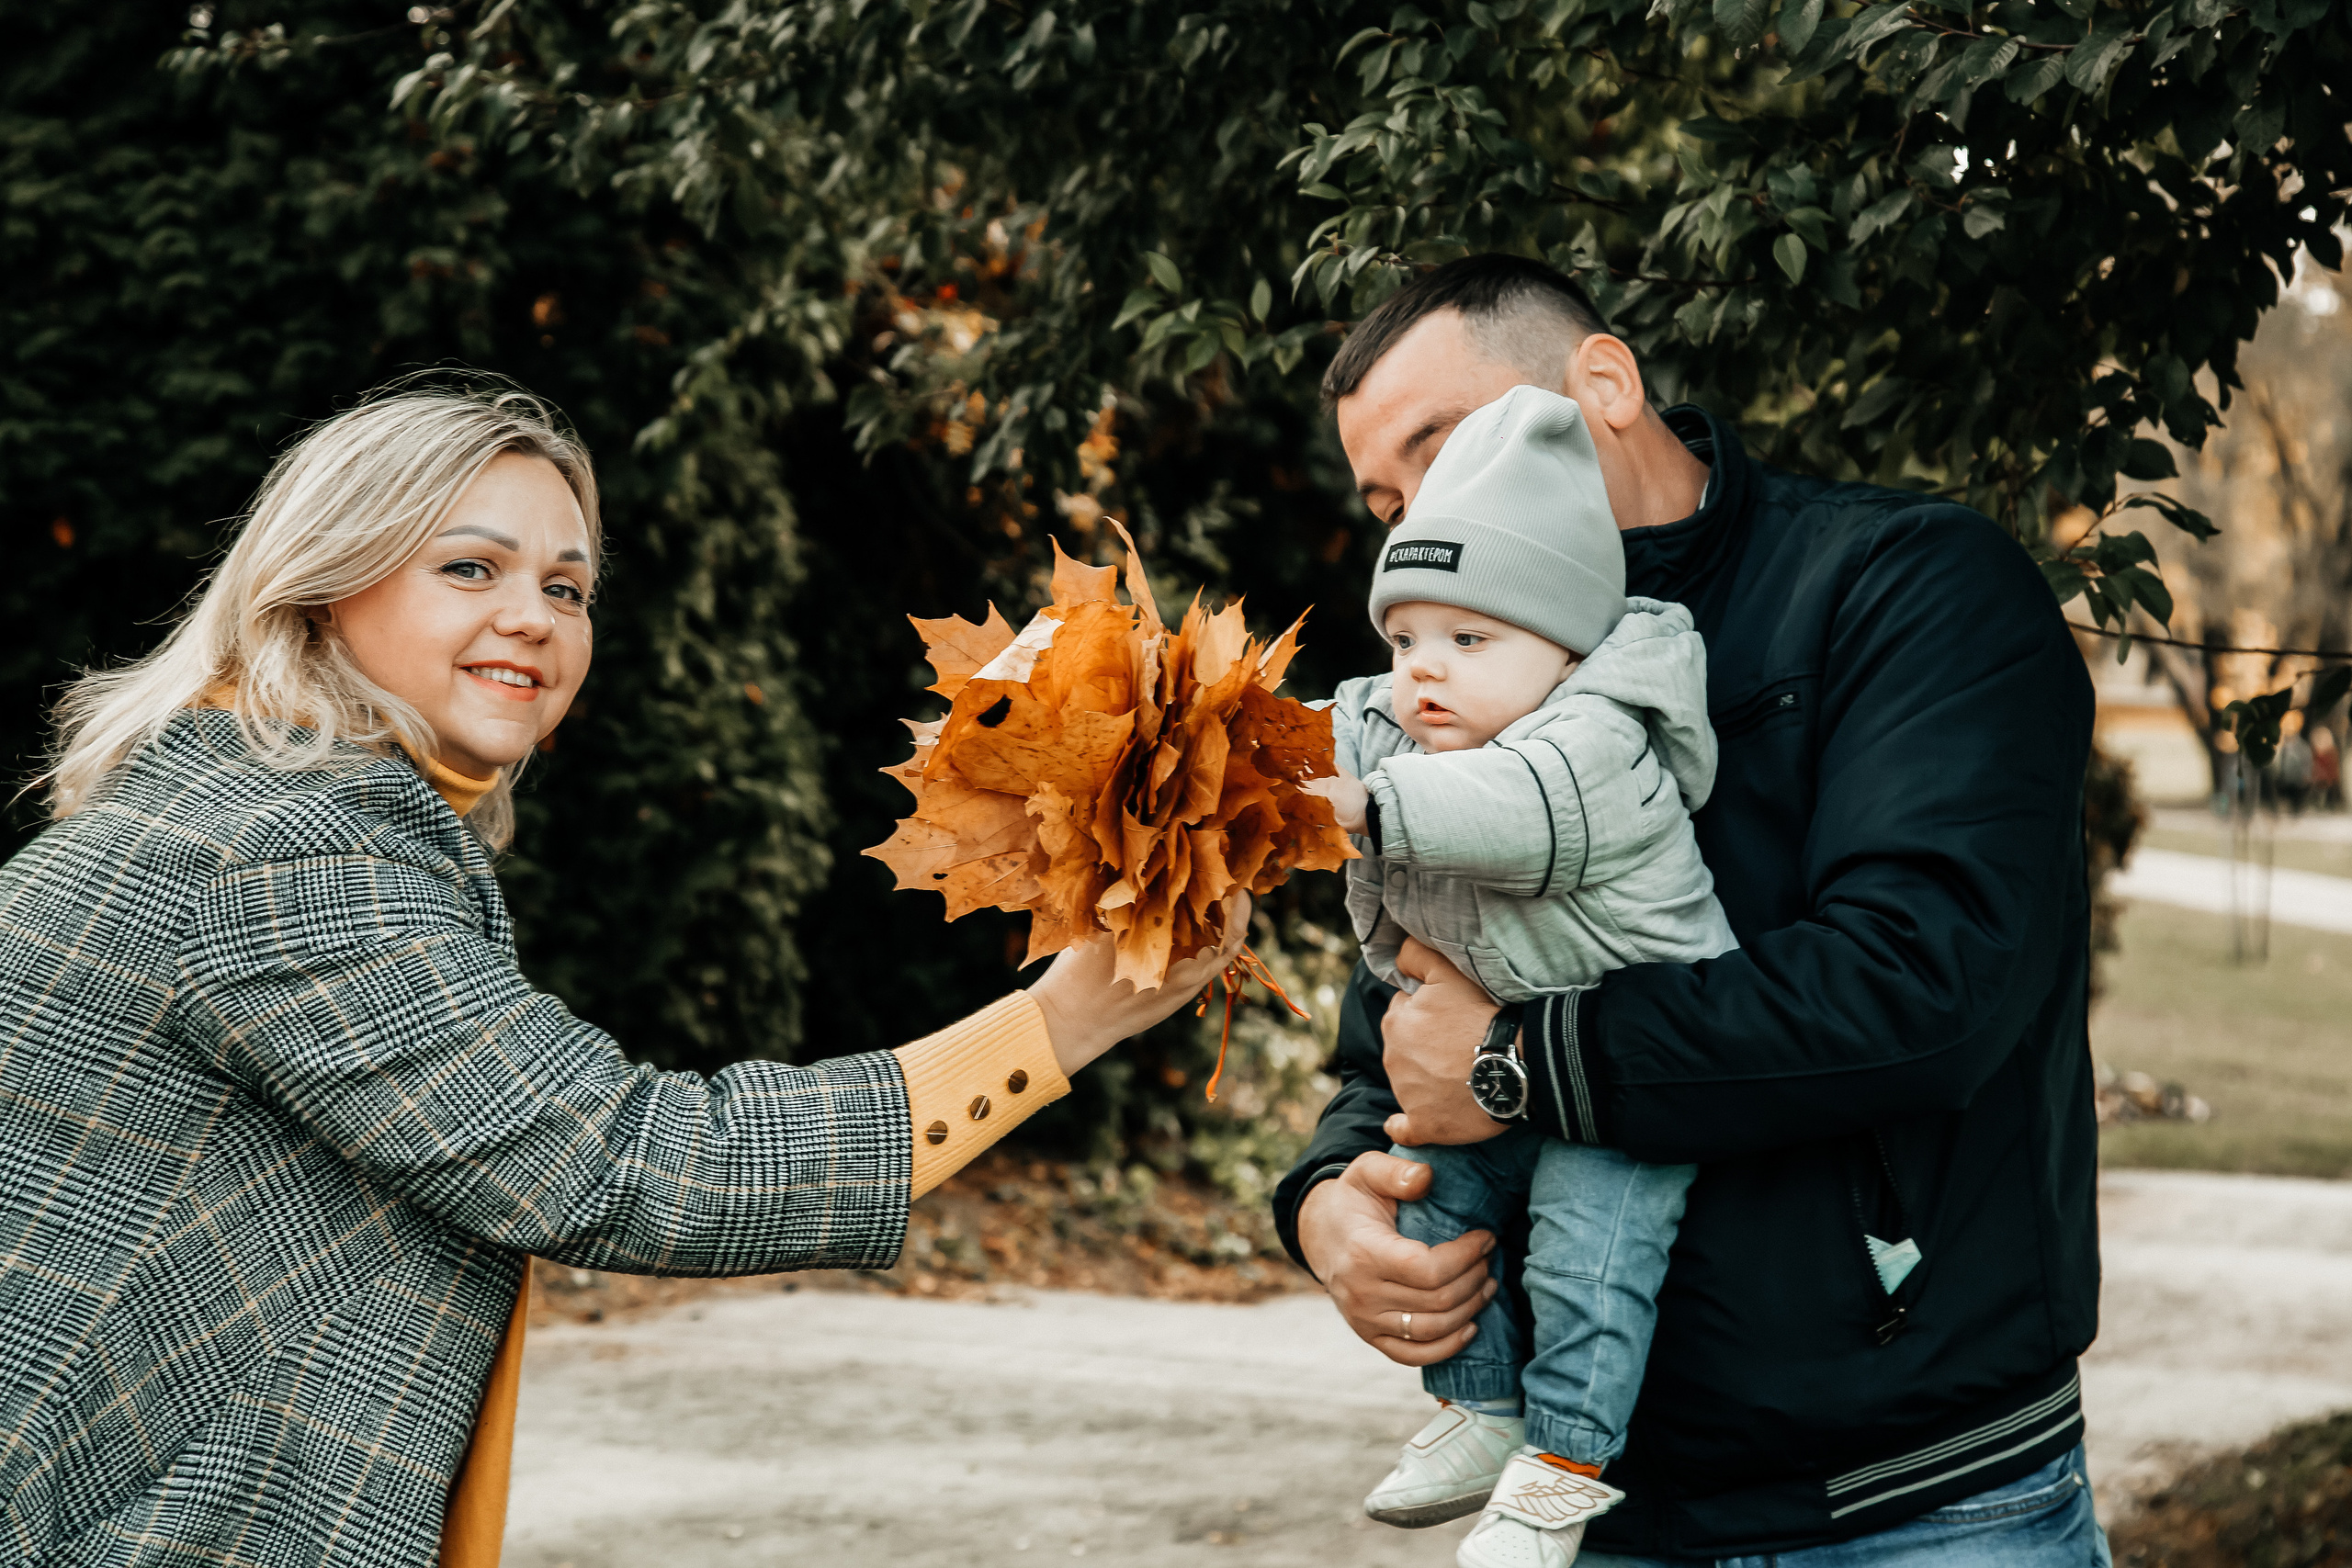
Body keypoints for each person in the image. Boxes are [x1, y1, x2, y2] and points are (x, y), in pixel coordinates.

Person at [0, 382, 1246, 1568]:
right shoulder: (281, 851)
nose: (535, 617)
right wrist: (1060, 1023)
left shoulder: (248, 807)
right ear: (323, 588)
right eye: (469, 568)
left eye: (568, 585)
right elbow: (627, 1166)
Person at [1272, 254, 2106, 1568]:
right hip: (1608, 1515)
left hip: (1918, 1507)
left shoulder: (1906, 590)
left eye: (1446, 448)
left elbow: (1927, 988)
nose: (1424, 516)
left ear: (1603, 384)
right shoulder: (1451, 682)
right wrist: (1332, 1199)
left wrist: (1518, 1062)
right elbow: (1408, 1012)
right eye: (1388, 500)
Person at [1303, 384, 1737, 1568]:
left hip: (1632, 1073)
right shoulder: (1417, 725)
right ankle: (1483, 1411)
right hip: (1489, 1069)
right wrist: (1202, 744)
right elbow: (1306, 737)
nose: (1421, 673)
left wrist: (1354, 806)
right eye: (1405, 638)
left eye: (1468, 639)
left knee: (1589, 1258)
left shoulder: (1601, 738)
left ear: (1567, 644)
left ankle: (1564, 1466)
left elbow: (1507, 816)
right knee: (1425, 1196)